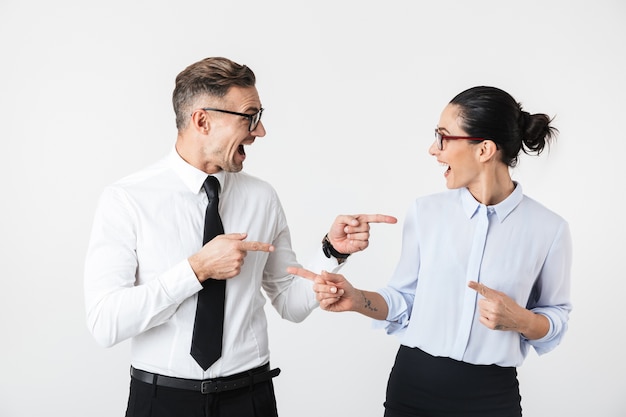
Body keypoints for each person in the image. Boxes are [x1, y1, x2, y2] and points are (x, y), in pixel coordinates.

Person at [83, 56, 397, 417]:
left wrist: (331, 251)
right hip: (162, 402)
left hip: (249, 399)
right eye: (250, 116)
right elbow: (105, 324)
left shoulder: (261, 197)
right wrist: (197, 269)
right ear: (202, 120)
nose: (259, 131)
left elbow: (289, 303)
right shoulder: (127, 199)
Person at [289, 86, 573, 417]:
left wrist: (522, 319)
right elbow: (403, 301)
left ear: (484, 149)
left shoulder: (549, 229)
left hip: (492, 398)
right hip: (413, 389)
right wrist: (356, 299)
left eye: (443, 137)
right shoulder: (426, 213)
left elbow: (556, 316)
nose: (432, 150)